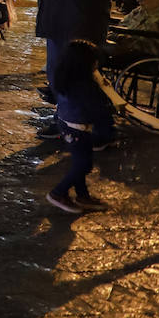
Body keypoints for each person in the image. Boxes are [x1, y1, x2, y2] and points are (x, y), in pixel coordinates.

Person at [45, 39, 114, 214]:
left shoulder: (65, 77)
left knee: (82, 161)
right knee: (83, 165)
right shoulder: (85, 86)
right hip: (78, 129)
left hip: (67, 125)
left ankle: (82, 195)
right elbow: (98, 110)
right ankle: (59, 192)